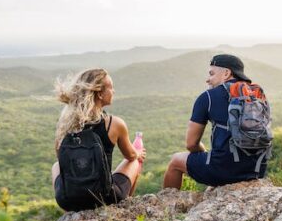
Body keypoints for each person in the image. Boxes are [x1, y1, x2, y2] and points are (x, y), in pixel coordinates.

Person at [163, 54, 268, 189]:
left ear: (226, 73)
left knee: (175, 161)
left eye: (211, 74)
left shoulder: (207, 97)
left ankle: (167, 205)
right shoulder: (256, 95)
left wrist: (205, 154)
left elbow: (191, 144)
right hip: (257, 169)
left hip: (223, 170)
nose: (208, 79)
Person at [52, 68, 146, 211]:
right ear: (100, 94)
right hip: (105, 198)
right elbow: (131, 155)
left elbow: (61, 158)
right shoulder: (115, 124)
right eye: (111, 87)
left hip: (68, 201)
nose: (113, 91)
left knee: (55, 166)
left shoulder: (65, 125)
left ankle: (74, 212)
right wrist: (138, 153)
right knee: (134, 161)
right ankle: (125, 206)